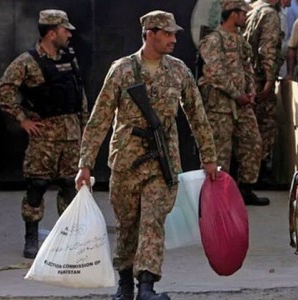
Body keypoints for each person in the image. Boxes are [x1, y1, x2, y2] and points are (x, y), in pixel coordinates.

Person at [75, 10, 217, 300]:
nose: (174, 39)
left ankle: (147, 286)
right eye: (167, 34)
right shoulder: (122, 70)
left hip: (162, 165)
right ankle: (125, 284)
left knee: (152, 222)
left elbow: (197, 116)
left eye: (175, 34)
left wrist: (209, 156)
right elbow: (99, 119)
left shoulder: (178, 71)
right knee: (127, 225)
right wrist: (85, 164)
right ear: (150, 34)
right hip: (126, 162)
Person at [0, 9, 89, 259]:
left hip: (70, 134)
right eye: (64, 30)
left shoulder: (69, 58)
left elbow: (78, 94)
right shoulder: (27, 62)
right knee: (36, 186)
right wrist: (22, 119)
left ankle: (69, 237)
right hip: (44, 136)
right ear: (51, 33)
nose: (69, 34)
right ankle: (31, 237)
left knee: (70, 187)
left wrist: (85, 126)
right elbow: (3, 91)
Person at [198, 0, 269, 206]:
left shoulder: (240, 40)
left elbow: (247, 67)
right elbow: (215, 73)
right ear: (233, 14)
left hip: (242, 104)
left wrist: (250, 92)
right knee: (220, 152)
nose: (246, 16)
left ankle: (245, 189)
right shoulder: (214, 40)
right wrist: (236, 94)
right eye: (243, 13)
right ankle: (216, 198)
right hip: (220, 106)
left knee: (252, 144)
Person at [243, 0, 284, 183]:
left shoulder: (252, 9)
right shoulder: (270, 14)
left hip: (249, 78)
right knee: (266, 125)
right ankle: (259, 171)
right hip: (260, 79)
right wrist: (270, 78)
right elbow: (267, 48)